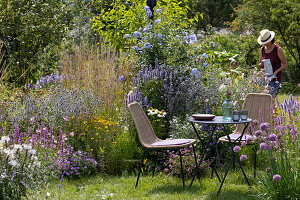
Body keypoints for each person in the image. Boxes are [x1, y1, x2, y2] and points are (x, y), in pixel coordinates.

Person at [258, 29, 288, 96]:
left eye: (266, 41)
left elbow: (285, 63)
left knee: (271, 99)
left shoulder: (278, 49)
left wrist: (276, 72)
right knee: (264, 99)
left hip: (275, 78)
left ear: (271, 40)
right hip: (265, 78)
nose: (264, 43)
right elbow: (259, 64)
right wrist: (262, 63)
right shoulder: (262, 49)